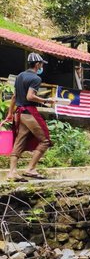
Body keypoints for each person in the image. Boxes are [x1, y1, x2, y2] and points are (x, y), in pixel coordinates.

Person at [4, 53, 56, 181]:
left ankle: (12, 172)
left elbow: (15, 97)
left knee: (19, 141)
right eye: (42, 64)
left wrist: (10, 113)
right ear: (37, 64)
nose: (42, 66)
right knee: (45, 141)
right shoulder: (36, 79)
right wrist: (46, 101)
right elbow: (30, 96)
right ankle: (30, 169)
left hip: (19, 113)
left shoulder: (20, 76)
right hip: (29, 112)